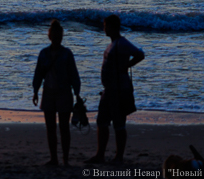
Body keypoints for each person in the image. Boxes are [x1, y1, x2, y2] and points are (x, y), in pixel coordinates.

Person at [86, 14, 145, 165]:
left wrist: (127, 65)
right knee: (102, 121)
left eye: (106, 25)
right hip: (108, 89)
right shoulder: (112, 44)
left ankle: (119, 156)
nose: (104, 28)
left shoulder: (122, 43)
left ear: (113, 27)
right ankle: (100, 154)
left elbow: (140, 54)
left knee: (119, 123)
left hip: (119, 89)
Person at [32, 20, 82, 166]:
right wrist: (35, 91)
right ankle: (55, 158)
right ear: (51, 36)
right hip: (50, 92)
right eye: (54, 35)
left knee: (62, 128)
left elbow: (74, 75)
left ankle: (64, 159)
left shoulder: (65, 54)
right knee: (52, 128)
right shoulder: (46, 53)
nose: (55, 38)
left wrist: (77, 92)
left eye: (57, 35)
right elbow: (38, 74)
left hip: (63, 93)